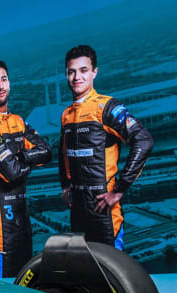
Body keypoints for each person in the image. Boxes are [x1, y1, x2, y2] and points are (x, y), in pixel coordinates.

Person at [60, 45, 153, 252]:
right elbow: (64, 151)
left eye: (83, 70)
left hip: (104, 212)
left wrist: (119, 190)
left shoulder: (107, 107)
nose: (77, 77)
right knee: (84, 268)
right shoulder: (66, 114)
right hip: (78, 213)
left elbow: (143, 140)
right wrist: (65, 185)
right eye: (71, 71)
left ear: (94, 72)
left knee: (111, 269)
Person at [0, 61, 51, 278]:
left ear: (9, 83)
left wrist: (21, 157)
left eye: (4, 80)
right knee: (5, 288)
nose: (0, 86)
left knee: (26, 284)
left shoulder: (18, 121)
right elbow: (12, 173)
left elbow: (46, 152)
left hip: (23, 218)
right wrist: (28, 160)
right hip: (2, 224)